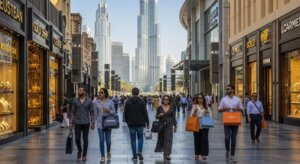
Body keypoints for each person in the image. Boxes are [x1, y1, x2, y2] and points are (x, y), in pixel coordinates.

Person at [218, 84, 244, 163]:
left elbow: (242, 110)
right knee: (227, 137)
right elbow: (219, 109)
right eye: (226, 89)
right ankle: (227, 150)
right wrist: (224, 108)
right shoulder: (223, 99)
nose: (227, 90)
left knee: (233, 138)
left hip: (235, 121)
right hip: (227, 121)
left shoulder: (237, 99)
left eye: (228, 89)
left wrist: (238, 109)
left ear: (232, 90)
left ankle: (232, 155)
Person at [124, 87, 150, 161]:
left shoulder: (128, 102)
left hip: (131, 123)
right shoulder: (142, 102)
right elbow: (145, 113)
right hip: (140, 123)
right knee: (140, 138)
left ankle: (134, 155)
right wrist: (147, 122)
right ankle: (140, 152)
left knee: (132, 139)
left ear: (132, 93)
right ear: (138, 93)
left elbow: (125, 113)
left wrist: (127, 121)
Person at [70, 87, 95, 161]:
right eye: (79, 90)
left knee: (85, 139)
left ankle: (84, 155)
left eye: (81, 90)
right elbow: (73, 112)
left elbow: (92, 112)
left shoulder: (89, 101)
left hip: (86, 122)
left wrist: (92, 122)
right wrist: (71, 122)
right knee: (77, 139)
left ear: (84, 92)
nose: (79, 91)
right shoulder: (75, 101)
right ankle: (79, 150)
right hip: (77, 122)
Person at [94, 88, 116, 163]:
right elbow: (95, 114)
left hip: (108, 123)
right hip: (100, 124)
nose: (100, 93)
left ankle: (108, 151)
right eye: (99, 92)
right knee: (101, 140)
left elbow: (114, 112)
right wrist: (93, 123)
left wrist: (108, 111)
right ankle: (102, 156)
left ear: (105, 93)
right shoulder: (96, 102)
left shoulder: (110, 102)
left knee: (108, 141)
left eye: (101, 92)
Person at [154, 95, 177, 160]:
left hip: (169, 125)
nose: (166, 100)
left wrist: (175, 125)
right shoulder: (159, 108)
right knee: (162, 139)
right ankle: (164, 152)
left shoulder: (172, 107)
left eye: (167, 99)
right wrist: (159, 115)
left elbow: (174, 117)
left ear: (169, 100)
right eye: (164, 99)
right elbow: (156, 117)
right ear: (162, 100)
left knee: (169, 139)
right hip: (161, 125)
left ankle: (168, 154)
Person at [190, 93, 212, 160]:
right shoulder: (194, 106)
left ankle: (204, 154)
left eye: (201, 98)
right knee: (197, 140)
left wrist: (207, 113)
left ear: (203, 99)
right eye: (198, 98)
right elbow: (191, 116)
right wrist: (194, 113)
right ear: (197, 99)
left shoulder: (206, 106)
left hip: (205, 124)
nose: (200, 99)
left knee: (204, 139)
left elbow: (211, 115)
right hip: (196, 124)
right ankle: (196, 154)